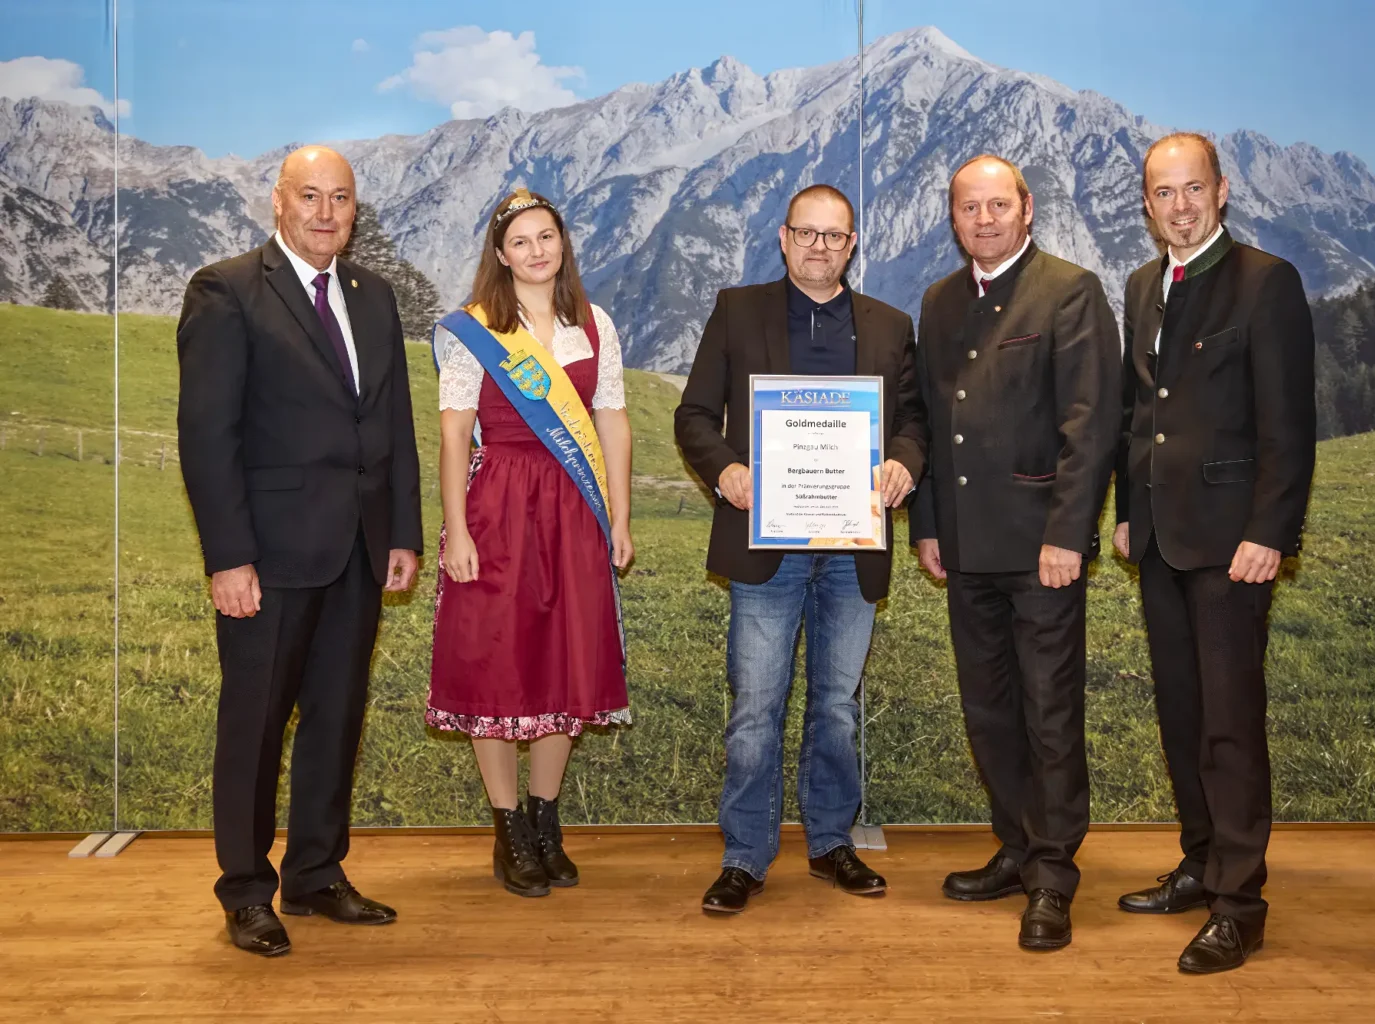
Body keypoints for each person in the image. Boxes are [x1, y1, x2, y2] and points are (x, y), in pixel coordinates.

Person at [176, 145, 423, 957]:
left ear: (356, 211)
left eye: (341, 199)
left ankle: (316, 874)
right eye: (310, 196)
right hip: (269, 554)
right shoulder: (227, 291)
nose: (326, 212)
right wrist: (227, 555)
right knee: (254, 725)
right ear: (276, 203)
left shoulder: (374, 295)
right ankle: (246, 891)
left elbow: (393, 427)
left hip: (356, 547)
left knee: (334, 717)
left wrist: (402, 533)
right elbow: (207, 437)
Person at [675, 184, 927, 914]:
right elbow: (694, 414)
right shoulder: (737, 310)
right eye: (807, 234)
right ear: (783, 239)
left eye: (835, 236)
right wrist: (724, 469)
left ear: (854, 245)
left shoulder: (889, 324)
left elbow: (914, 423)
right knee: (756, 705)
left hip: (853, 548)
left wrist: (905, 462)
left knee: (837, 707)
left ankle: (830, 842)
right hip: (767, 546)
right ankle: (745, 855)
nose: (820, 248)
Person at [1112, 132, 1316, 973]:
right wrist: (1128, 513)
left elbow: (1289, 424)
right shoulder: (1141, 287)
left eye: (1193, 189)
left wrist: (1270, 531)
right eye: (1164, 193)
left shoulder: (1266, 283)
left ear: (1222, 191)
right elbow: (1137, 412)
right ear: (1148, 203)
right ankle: (1200, 863)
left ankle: (1240, 902)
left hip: (1235, 544)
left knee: (1230, 726)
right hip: (1160, 538)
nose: (1180, 206)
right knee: (1182, 714)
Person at [911, 155, 1120, 951]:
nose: (987, 219)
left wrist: (1068, 534)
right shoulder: (938, 300)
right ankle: (1016, 846)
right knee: (990, 711)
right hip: (964, 545)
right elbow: (926, 421)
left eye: (1000, 205)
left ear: (1027, 209)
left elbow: (1090, 425)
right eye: (971, 207)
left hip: (1042, 550)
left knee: (1050, 714)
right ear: (954, 217)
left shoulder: (1069, 290)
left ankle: (1055, 876)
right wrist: (927, 524)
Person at [426, 188, 633, 898]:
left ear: (563, 243)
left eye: (548, 236)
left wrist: (623, 518)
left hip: (575, 509)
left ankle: (547, 822)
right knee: (497, 664)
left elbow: (613, 425)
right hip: (501, 506)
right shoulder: (476, 329)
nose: (537, 250)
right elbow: (455, 433)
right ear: (500, 254)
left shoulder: (594, 324)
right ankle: (508, 829)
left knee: (565, 662)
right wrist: (454, 528)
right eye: (521, 241)